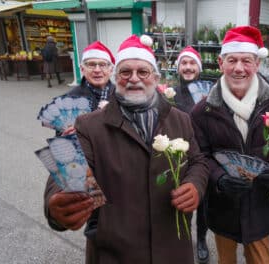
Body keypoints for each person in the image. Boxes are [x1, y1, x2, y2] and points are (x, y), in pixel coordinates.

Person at [43, 34, 209, 263]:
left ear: (156, 77)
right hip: (116, 250)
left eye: (143, 72)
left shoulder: (180, 119)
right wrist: (57, 202)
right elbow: (67, 172)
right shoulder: (89, 125)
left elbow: (198, 161)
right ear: (115, 77)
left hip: (172, 246)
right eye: (125, 72)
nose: (134, 79)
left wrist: (195, 185)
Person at [191, 26, 269, 264]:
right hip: (223, 206)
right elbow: (201, 155)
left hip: (261, 204)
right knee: (226, 260)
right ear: (221, 63)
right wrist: (219, 178)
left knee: (260, 260)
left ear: (257, 64)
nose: (239, 68)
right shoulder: (203, 110)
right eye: (232, 60)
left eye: (246, 61)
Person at [173, 46, 212, 263]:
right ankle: (184, 240)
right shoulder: (170, 94)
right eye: (184, 63)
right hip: (180, 158)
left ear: (199, 67)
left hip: (205, 156)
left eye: (192, 63)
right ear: (178, 68)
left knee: (204, 204)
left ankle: (202, 240)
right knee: (184, 202)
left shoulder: (210, 92)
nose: (188, 68)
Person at [59, 41, 116, 136]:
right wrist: (65, 136)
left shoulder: (121, 96)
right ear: (82, 69)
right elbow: (59, 135)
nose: (97, 70)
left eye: (102, 65)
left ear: (110, 70)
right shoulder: (69, 99)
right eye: (91, 64)